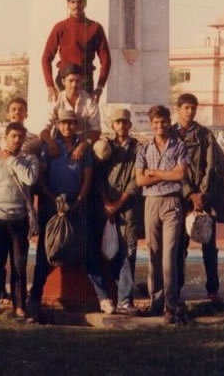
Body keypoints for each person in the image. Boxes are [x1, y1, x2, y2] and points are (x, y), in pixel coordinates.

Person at [28, 110, 111, 320]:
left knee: (88, 250)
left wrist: (79, 201)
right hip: (52, 205)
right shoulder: (50, 147)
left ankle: (103, 297)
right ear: (58, 124)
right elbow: (41, 177)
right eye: (63, 123)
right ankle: (35, 297)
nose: (67, 127)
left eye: (71, 123)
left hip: (77, 205)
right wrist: (52, 199)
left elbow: (87, 179)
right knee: (45, 253)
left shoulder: (84, 149)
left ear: (76, 125)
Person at [0, 122, 39, 317]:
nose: (17, 140)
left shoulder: (30, 160)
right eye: (13, 136)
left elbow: (29, 179)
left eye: (20, 136)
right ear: (6, 137)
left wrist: (12, 160)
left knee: (19, 265)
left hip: (19, 220)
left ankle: (19, 305)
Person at [135, 105, 188, 324]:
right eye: (155, 123)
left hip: (172, 203)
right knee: (153, 252)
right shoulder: (144, 148)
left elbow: (180, 175)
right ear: (151, 124)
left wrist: (154, 172)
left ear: (169, 121)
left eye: (163, 121)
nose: (160, 126)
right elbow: (140, 180)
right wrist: (166, 175)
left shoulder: (179, 146)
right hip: (151, 203)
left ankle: (171, 305)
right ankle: (155, 300)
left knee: (169, 256)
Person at [174, 93, 223, 305]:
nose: (190, 111)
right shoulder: (171, 135)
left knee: (209, 247)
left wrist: (201, 194)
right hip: (181, 198)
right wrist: (189, 193)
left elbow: (211, 166)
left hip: (205, 199)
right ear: (178, 109)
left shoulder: (205, 135)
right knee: (179, 247)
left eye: (193, 108)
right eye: (186, 107)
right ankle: (176, 287)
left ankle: (212, 289)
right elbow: (172, 168)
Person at [97, 108, 141, 315]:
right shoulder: (105, 148)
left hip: (128, 206)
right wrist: (107, 203)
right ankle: (111, 295)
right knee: (108, 251)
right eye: (117, 122)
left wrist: (119, 203)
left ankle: (125, 300)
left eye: (125, 122)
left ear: (130, 125)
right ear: (113, 125)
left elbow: (136, 180)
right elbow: (98, 177)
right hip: (107, 207)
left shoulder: (137, 148)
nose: (121, 126)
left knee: (128, 252)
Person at [41, 0, 111, 101]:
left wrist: (100, 86)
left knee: (84, 117)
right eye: (73, 2)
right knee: (63, 117)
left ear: (85, 3)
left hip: (85, 82)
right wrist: (50, 86)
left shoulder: (95, 27)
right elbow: (46, 58)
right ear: (68, 4)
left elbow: (106, 59)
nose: (76, 5)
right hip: (63, 81)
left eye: (80, 1)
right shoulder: (60, 27)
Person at [40, 63, 101, 160]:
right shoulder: (56, 99)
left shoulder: (89, 101)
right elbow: (44, 129)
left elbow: (96, 130)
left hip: (84, 140)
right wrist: (51, 142)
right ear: (63, 81)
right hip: (61, 139)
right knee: (36, 147)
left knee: (102, 149)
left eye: (78, 81)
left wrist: (82, 146)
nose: (74, 84)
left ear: (81, 82)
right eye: (71, 80)